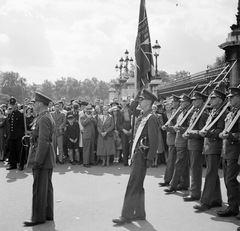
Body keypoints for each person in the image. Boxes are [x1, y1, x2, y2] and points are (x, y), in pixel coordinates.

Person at [112, 89, 159, 225]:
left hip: (142, 156)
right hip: (137, 154)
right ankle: (139, 212)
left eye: (142, 99)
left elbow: (154, 140)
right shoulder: (143, 116)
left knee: (133, 184)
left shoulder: (151, 118)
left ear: (149, 102)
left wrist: (149, 158)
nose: (139, 101)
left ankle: (125, 215)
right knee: (138, 185)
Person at [23, 92, 55, 227]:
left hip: (42, 157)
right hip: (47, 157)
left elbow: (43, 142)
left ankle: (38, 217)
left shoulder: (43, 118)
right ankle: (47, 214)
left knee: (39, 187)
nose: (33, 105)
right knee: (46, 187)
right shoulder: (43, 117)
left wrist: (38, 161)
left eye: (35, 103)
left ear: (41, 104)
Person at [194, 90, 226, 212]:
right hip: (208, 146)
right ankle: (216, 200)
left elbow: (221, 130)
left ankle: (205, 202)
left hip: (215, 146)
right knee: (213, 174)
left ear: (220, 100)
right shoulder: (213, 112)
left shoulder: (222, 114)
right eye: (211, 98)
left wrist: (207, 133)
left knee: (210, 174)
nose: (211, 100)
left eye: (213, 98)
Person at [217, 87, 240, 218]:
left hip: (235, 152)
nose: (229, 99)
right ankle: (233, 207)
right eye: (229, 97)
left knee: (231, 181)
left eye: (232, 97)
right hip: (226, 151)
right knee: (227, 181)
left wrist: (229, 136)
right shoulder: (231, 113)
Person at [182, 91, 208, 202]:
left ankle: (195, 193)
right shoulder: (196, 113)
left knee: (196, 170)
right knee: (193, 169)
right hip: (191, 144)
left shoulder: (203, 114)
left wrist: (189, 134)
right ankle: (193, 189)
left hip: (197, 145)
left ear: (201, 101)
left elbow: (202, 131)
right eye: (192, 100)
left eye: (195, 100)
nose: (193, 102)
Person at [164, 94, 192, 193]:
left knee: (179, 164)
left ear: (188, 102)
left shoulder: (189, 113)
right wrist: (171, 128)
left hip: (184, 141)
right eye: (180, 101)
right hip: (178, 140)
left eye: (182, 102)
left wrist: (179, 129)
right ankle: (184, 184)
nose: (180, 103)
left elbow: (190, 127)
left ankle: (173, 185)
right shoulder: (181, 112)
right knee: (183, 164)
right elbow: (175, 125)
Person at [159, 95, 180, 187]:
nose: (171, 103)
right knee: (171, 161)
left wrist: (167, 128)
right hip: (171, 138)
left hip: (175, 138)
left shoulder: (178, 112)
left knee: (173, 161)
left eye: (173, 102)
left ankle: (171, 180)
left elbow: (176, 127)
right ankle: (168, 179)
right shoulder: (174, 111)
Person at [6, 96, 25, 170]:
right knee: (12, 150)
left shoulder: (20, 114)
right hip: (11, 136)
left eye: (13, 105)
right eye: (11, 105)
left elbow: (23, 126)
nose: (12, 106)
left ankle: (21, 164)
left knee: (19, 150)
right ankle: (13, 164)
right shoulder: (10, 114)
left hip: (18, 135)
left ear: (16, 105)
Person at [118, 98, 132, 166]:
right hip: (123, 129)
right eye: (123, 102)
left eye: (125, 102)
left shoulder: (130, 110)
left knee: (131, 145)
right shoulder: (120, 112)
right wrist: (123, 130)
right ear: (121, 103)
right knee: (124, 146)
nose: (124, 104)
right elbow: (118, 124)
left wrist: (132, 129)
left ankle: (131, 160)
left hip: (130, 128)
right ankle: (125, 161)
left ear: (127, 103)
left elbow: (133, 120)